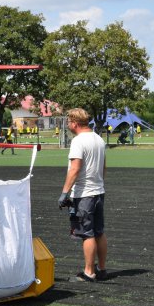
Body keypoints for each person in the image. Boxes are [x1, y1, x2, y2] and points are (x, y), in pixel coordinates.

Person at [58, 108, 107, 282]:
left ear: (74, 123)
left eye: (68, 122)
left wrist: (65, 193)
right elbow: (103, 167)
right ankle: (101, 269)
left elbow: (75, 169)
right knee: (99, 232)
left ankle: (88, 272)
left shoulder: (78, 141)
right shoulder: (99, 139)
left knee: (87, 234)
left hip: (84, 193)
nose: (68, 125)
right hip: (99, 191)